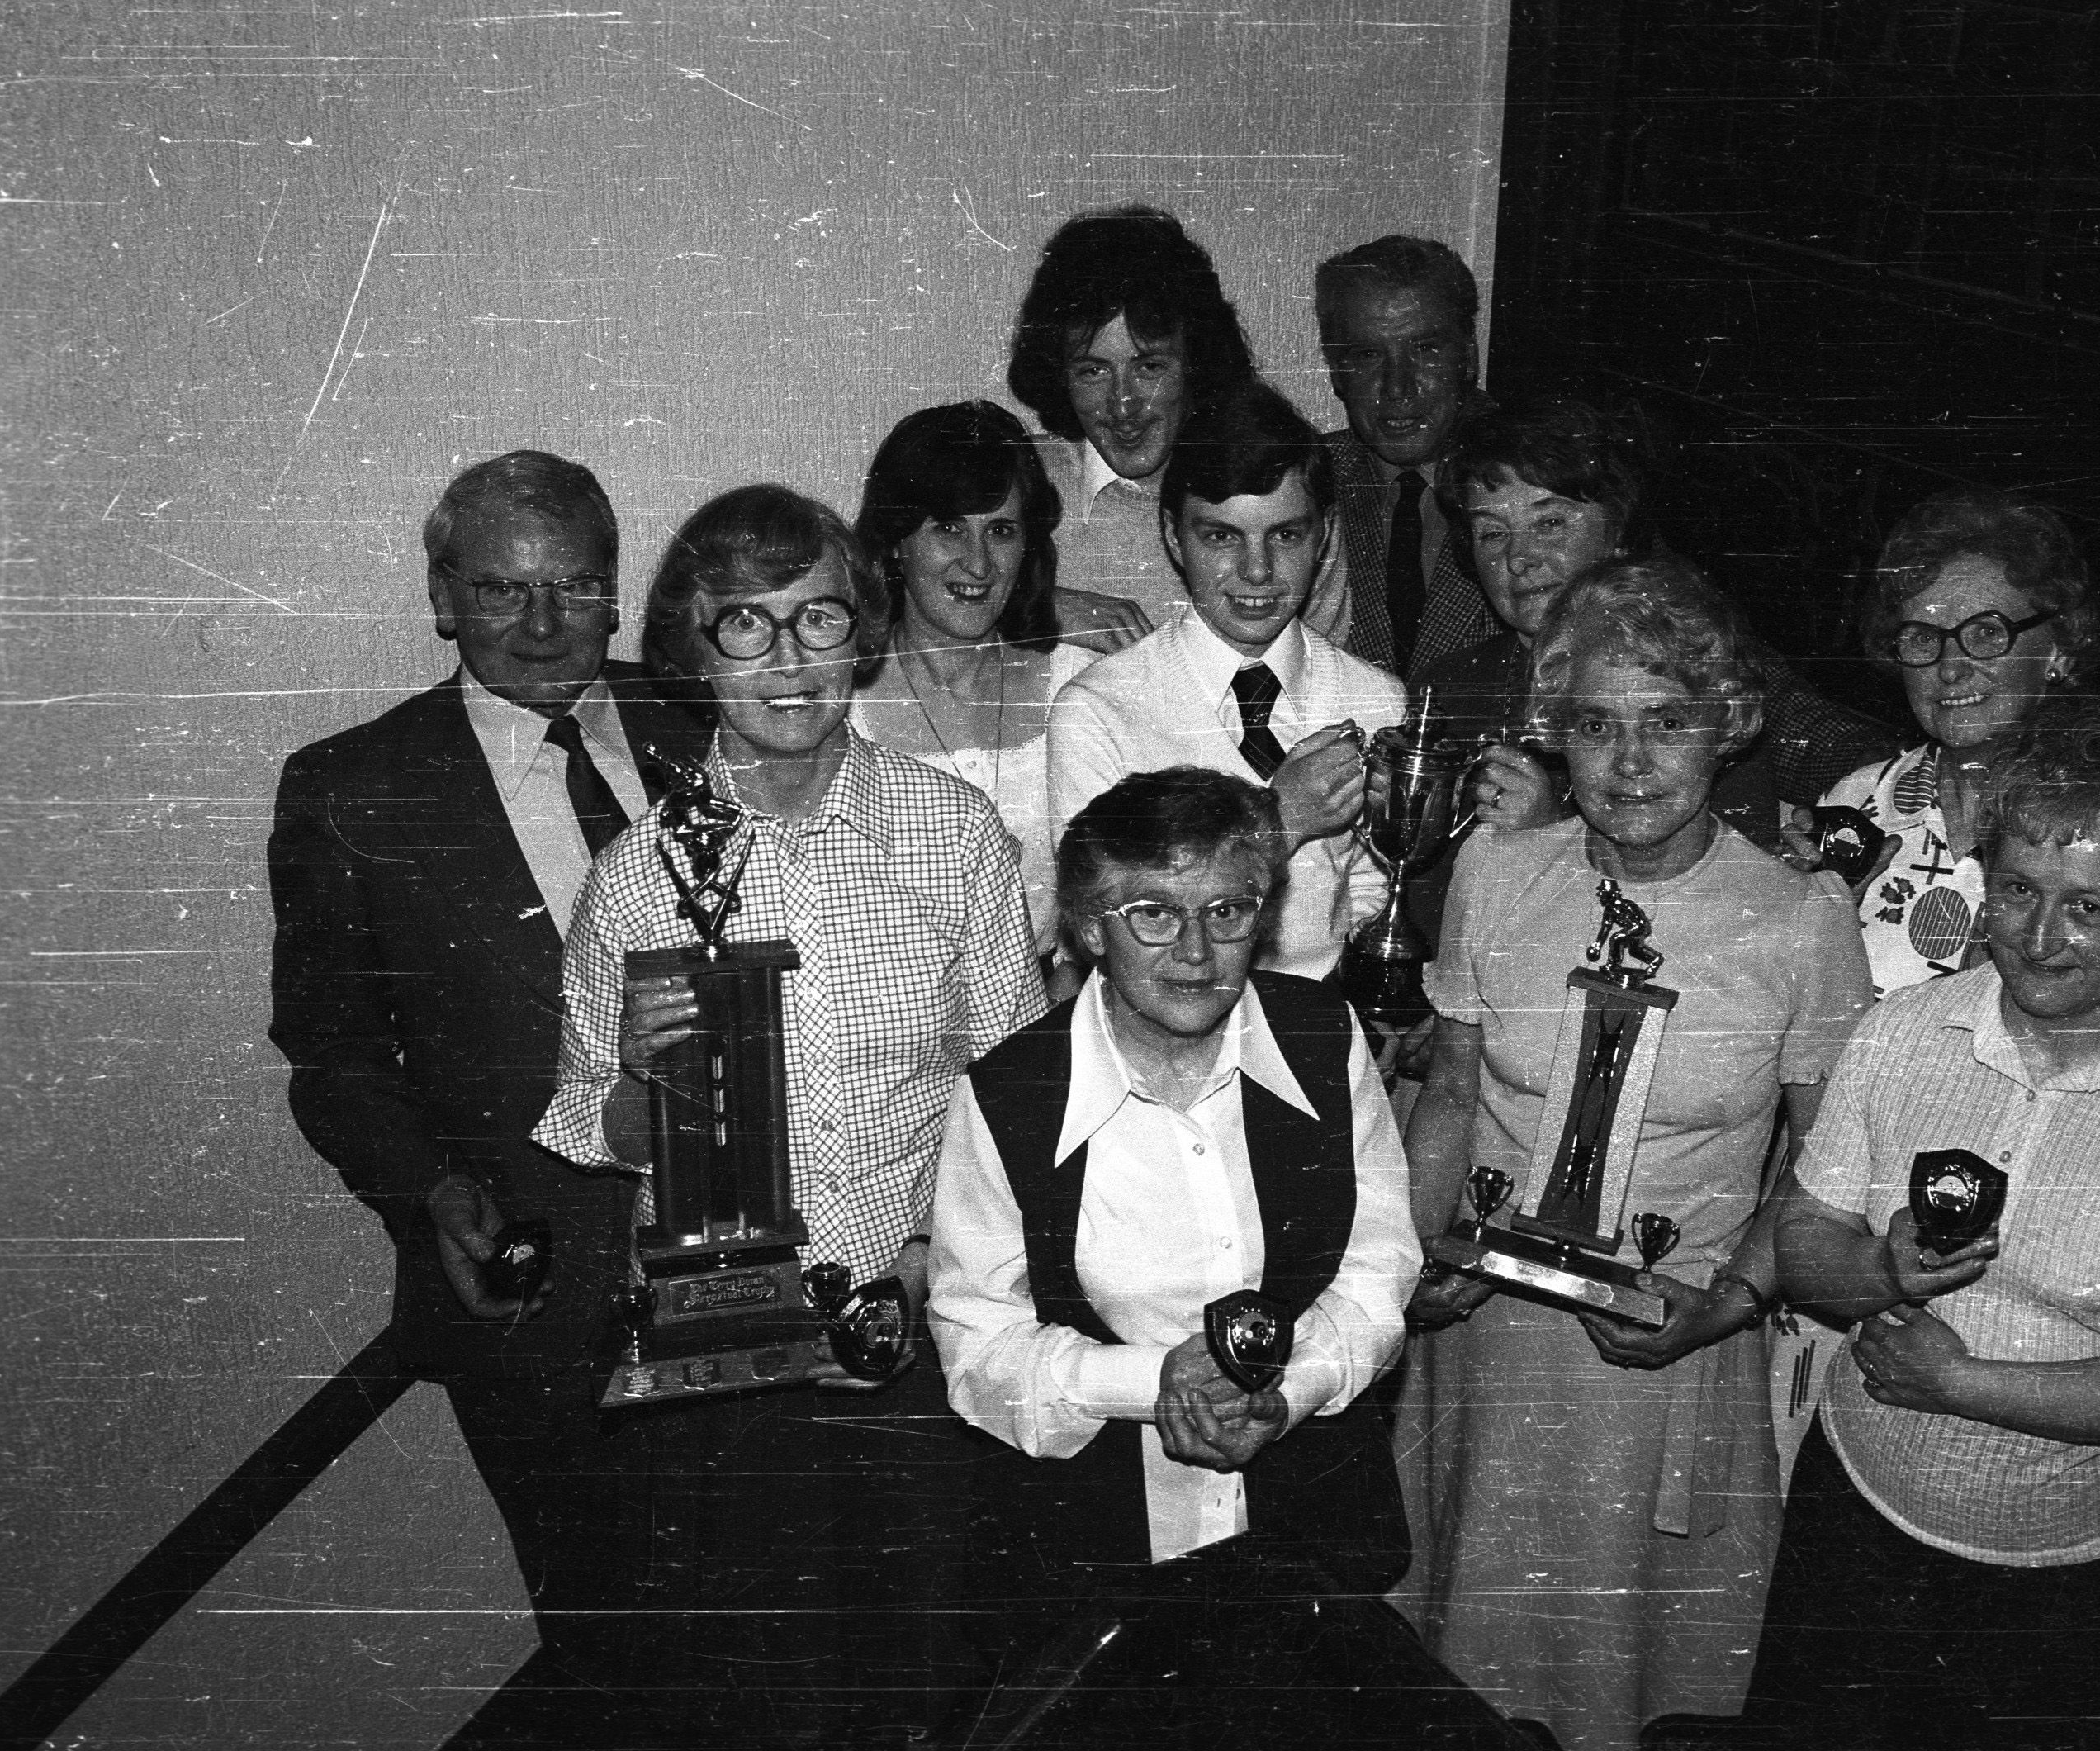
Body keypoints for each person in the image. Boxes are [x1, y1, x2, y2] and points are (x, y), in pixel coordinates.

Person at [529, 483, 1045, 1746]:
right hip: (722, 1367)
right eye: (745, 628)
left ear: (860, 631)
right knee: (758, 1697)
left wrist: (947, 1264)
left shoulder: (953, 835)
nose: (789, 660)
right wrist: (645, 1095)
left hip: (912, 1329)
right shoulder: (639, 878)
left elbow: (1020, 1101)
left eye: (817, 620)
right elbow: (584, 1128)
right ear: (693, 653)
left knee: (930, 1683)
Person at [1751, 691, 2100, 1751]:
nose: (2040, 937)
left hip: (2059, 1581)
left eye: (2088, 906)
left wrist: (1958, 1383)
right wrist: (1881, 1269)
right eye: (2015, 891)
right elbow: (1802, 1241)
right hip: (1852, 1518)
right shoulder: (1903, 1033)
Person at [266, 451, 709, 1745]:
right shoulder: (351, 790)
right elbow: (333, 1057)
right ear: (444, 596)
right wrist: (433, 1193)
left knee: (778, 1635)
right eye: (503, 589)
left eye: (574, 585)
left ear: (615, 592)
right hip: (534, 1289)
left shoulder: (716, 724)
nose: (540, 623)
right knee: (617, 1666)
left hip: (761, 1258)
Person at [1396, 558, 1874, 1748]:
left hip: (1666, 1360)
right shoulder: (1499, 871)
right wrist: (1406, 1259)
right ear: (1554, 732)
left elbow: (1819, 1180)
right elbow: (1451, 1091)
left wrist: (1725, 1307)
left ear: (1729, 727)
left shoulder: (1800, 922)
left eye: (1669, 722)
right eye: (1595, 725)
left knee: (1626, 1705)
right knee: (1459, 1690)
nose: (1630, 761)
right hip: (1486, 1350)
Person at [927, 767, 1419, 1724]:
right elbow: (978, 1345)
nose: (1195, 949)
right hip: (1091, 1570)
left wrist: (1294, 1385)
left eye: (1227, 909)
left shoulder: (1321, 1035)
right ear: (1083, 928)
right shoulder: (1009, 1092)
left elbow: (1376, 1264)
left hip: (1305, 1537)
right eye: (1150, 913)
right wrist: (1155, 1384)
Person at [1421, 398, 1904, 853]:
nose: (1519, 558)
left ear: (1616, 530)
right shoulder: (1446, 688)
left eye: (1550, 524)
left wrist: (1550, 839)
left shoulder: (1692, 670)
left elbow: (1725, 887)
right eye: (1492, 533)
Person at [1047, 379, 1406, 982]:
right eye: (1222, 537)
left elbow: (1370, 884)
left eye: (1285, 534)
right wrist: (1280, 821)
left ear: (1323, 535)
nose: (1257, 571)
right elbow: (1104, 920)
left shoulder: (1374, 697)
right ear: (1172, 537)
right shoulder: (1098, 709)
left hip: (1316, 1030)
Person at [1008, 204, 1349, 647]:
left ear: (1196, 363)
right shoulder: (1019, 479)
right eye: (1094, 371)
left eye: (1149, 367)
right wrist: (1034, 607)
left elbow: (1320, 679)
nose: (1123, 404)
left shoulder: (1282, 489)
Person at [847, 400, 1096, 960]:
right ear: (895, 540)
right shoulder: (840, 707)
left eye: (1001, 530)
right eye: (950, 528)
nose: (978, 564)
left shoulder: (1078, 690)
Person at [1313, 235, 1495, 677]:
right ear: (1337, 372)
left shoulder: (1548, 476)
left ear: (1467, 357)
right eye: (1369, 355)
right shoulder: (1304, 481)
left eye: (1425, 350)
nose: (1398, 387)